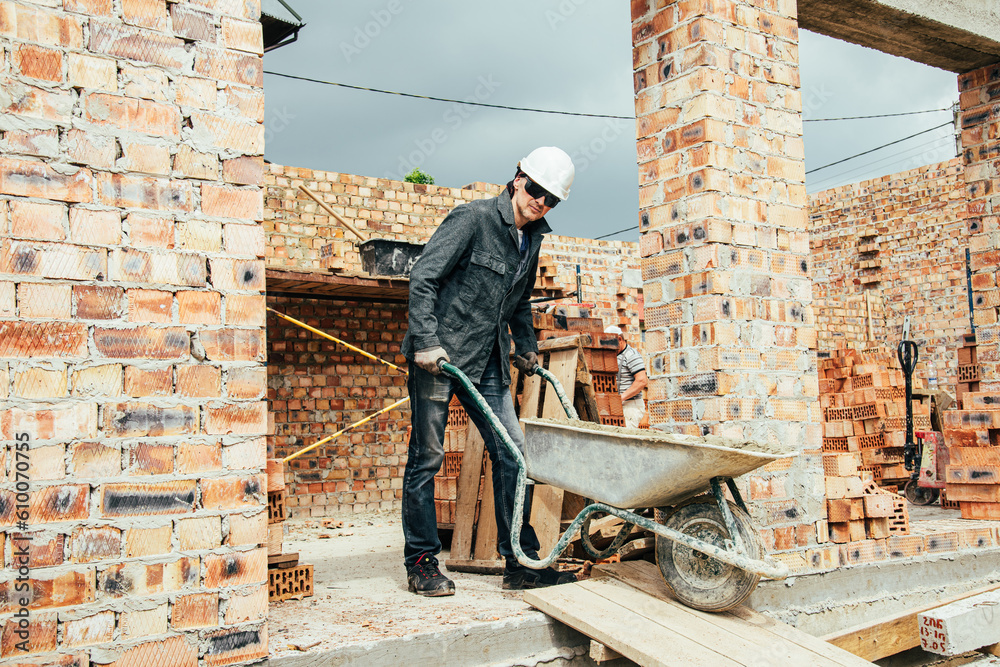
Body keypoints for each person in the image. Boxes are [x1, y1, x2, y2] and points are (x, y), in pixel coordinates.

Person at [399, 147, 578, 596]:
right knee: (428, 458)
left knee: (513, 455)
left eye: (551, 198)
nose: (541, 202)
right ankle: (421, 561)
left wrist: (528, 348)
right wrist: (425, 342)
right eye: (536, 190)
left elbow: (518, 302)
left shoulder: (530, 239)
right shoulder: (473, 219)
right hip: (441, 358)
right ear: (518, 179)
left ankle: (519, 561)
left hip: (490, 362)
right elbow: (424, 278)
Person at [605, 325, 647, 428]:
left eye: (611, 343)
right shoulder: (616, 355)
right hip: (619, 405)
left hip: (631, 405)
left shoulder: (632, 355)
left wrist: (621, 398)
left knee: (624, 437)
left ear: (620, 339)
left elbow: (641, 381)